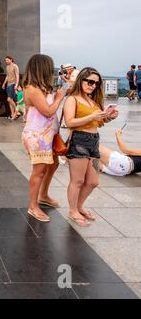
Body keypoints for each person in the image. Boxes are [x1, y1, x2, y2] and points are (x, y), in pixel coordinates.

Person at [63, 67, 119, 227]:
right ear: (81, 80)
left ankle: (79, 206)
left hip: (94, 141)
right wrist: (92, 116)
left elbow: (97, 123)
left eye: (96, 83)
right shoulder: (72, 99)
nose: (93, 85)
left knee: (93, 181)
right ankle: (73, 210)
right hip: (79, 141)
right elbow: (69, 122)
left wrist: (108, 117)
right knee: (78, 180)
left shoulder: (92, 101)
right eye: (90, 82)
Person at [22, 54, 66, 223]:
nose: (52, 71)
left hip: (48, 134)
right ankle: (33, 206)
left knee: (53, 164)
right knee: (39, 171)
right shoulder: (32, 89)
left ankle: (44, 195)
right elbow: (47, 111)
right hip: (37, 136)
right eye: (50, 67)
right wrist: (59, 99)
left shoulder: (41, 88)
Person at [2, 56, 20, 121]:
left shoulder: (15, 66)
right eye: (5, 60)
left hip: (13, 84)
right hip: (8, 85)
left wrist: (16, 84)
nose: (6, 61)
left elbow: (17, 75)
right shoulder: (7, 67)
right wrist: (4, 83)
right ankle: (13, 115)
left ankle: (17, 111)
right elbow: (7, 76)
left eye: (7, 60)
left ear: (11, 60)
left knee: (9, 99)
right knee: (10, 101)